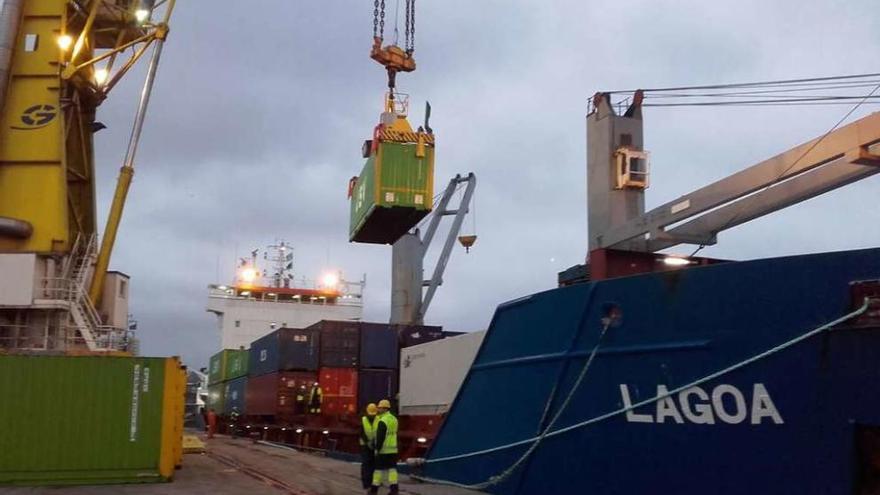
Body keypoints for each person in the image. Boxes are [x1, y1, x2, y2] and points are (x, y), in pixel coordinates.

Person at [371, 399, 399, 495]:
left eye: (379, 408)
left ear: (384, 408)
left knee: (378, 470)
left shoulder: (383, 421)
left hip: (383, 450)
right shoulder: (394, 419)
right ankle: (394, 489)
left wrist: (376, 449)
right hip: (393, 449)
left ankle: (374, 490)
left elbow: (380, 437)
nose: (378, 410)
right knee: (392, 470)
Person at [359, 403, 378, 492]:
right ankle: (369, 484)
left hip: (367, 445)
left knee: (367, 465)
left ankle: (367, 484)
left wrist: (369, 442)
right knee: (370, 465)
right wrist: (371, 443)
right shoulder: (378, 419)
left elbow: (361, 433)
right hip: (369, 445)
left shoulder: (364, 419)